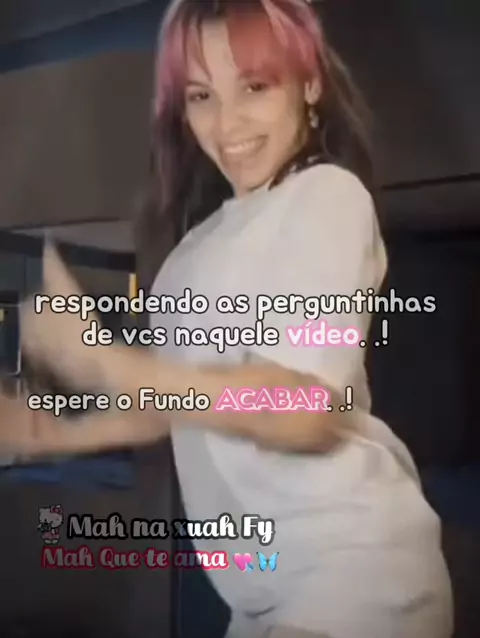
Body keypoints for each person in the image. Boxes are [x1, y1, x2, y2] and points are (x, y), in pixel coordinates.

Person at [2, 0, 453, 636]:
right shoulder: (190, 254)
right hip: (258, 592)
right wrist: (54, 436)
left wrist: (103, 361)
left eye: (255, 87)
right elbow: (175, 401)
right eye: (201, 96)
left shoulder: (326, 196)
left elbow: (303, 411)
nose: (227, 122)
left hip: (353, 575)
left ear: (310, 85)